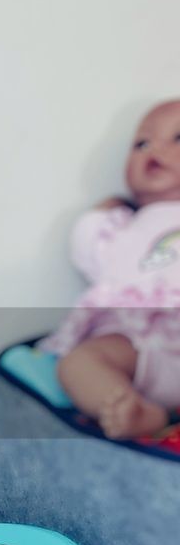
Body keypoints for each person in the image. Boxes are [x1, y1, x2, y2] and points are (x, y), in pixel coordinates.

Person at [42, 100, 180, 439]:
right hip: (133, 348)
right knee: (76, 364)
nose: (156, 150)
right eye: (142, 143)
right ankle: (137, 411)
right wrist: (102, 214)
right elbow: (87, 250)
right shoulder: (124, 227)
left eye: (178, 138)